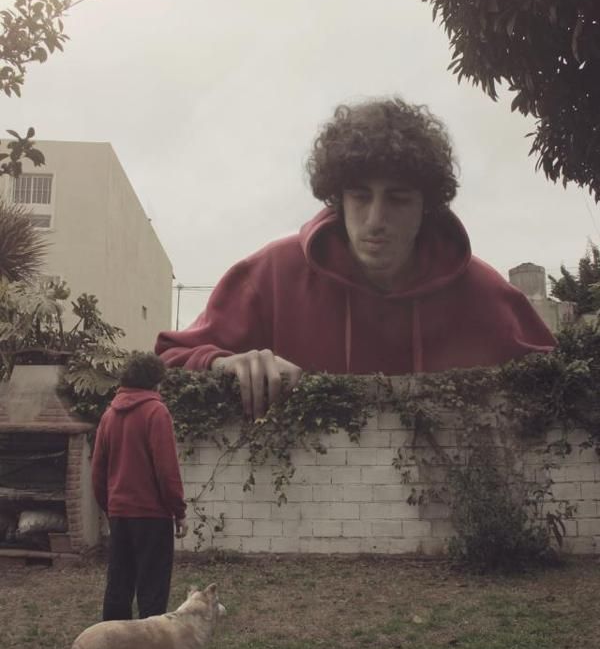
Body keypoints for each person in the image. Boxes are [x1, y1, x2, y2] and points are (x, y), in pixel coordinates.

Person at [156, 97, 555, 418]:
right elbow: (164, 363)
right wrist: (221, 364)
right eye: (360, 196)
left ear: (426, 208)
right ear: (338, 199)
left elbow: (561, 387)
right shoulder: (272, 276)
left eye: (398, 199)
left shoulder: (482, 294)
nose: (376, 219)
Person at [91, 351, 188, 649]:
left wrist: (110, 506)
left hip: (120, 514)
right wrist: (178, 510)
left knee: (118, 585)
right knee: (152, 589)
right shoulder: (156, 412)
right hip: (151, 515)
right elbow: (167, 470)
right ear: (155, 380)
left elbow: (98, 469)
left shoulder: (108, 416)